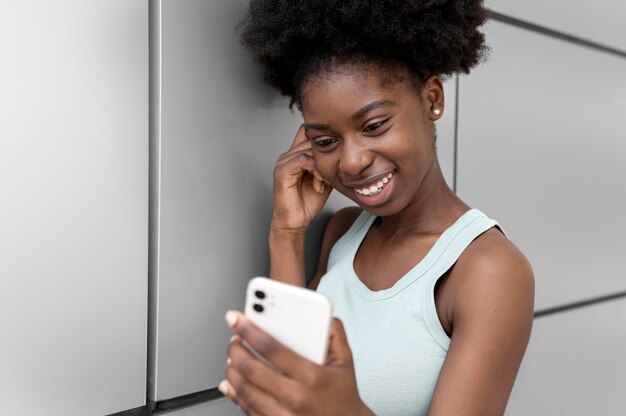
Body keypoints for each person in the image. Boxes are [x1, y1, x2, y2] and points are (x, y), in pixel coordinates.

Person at [220, 1, 535, 414]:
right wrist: (287, 233)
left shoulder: (487, 269)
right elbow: (283, 393)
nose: (352, 162)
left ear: (432, 99)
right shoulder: (344, 232)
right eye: (326, 141)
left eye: (373, 126)